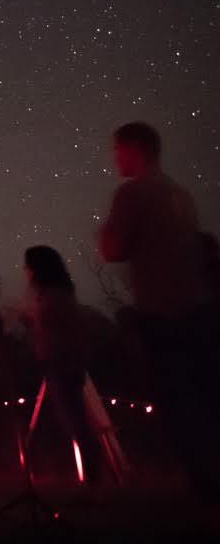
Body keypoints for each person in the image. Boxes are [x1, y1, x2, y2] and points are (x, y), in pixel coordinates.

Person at [99, 121, 220, 511]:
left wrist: (104, 234)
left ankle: (210, 498)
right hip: (197, 311)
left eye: (117, 149)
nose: (114, 157)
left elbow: (113, 249)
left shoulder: (132, 193)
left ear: (133, 149)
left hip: (163, 315)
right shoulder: (180, 195)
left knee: (182, 411)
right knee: (206, 404)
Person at [22, 246, 103, 487]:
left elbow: (70, 329)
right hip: (58, 360)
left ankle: (95, 484)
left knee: (78, 424)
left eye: (27, 265)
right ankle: (93, 483)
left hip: (63, 362)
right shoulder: (53, 294)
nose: (24, 271)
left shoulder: (55, 296)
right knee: (75, 423)